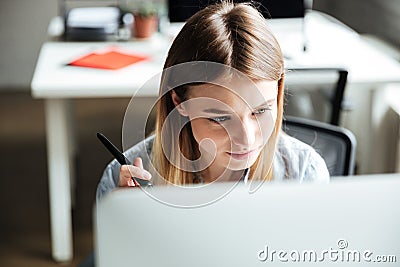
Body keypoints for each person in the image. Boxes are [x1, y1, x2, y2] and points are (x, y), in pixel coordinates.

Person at [96, 1, 329, 204]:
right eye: (220, 118)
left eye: (260, 111)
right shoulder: (124, 180)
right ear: (179, 101)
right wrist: (128, 224)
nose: (246, 139)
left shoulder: (304, 174)